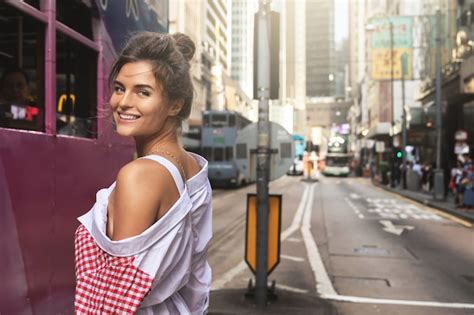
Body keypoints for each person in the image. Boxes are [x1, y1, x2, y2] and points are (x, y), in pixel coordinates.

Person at [74, 32, 212, 314]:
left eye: (143, 92)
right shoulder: (194, 168)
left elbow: (115, 298)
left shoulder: (140, 176)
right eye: (120, 88)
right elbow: (197, 280)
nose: (123, 103)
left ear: (175, 104)